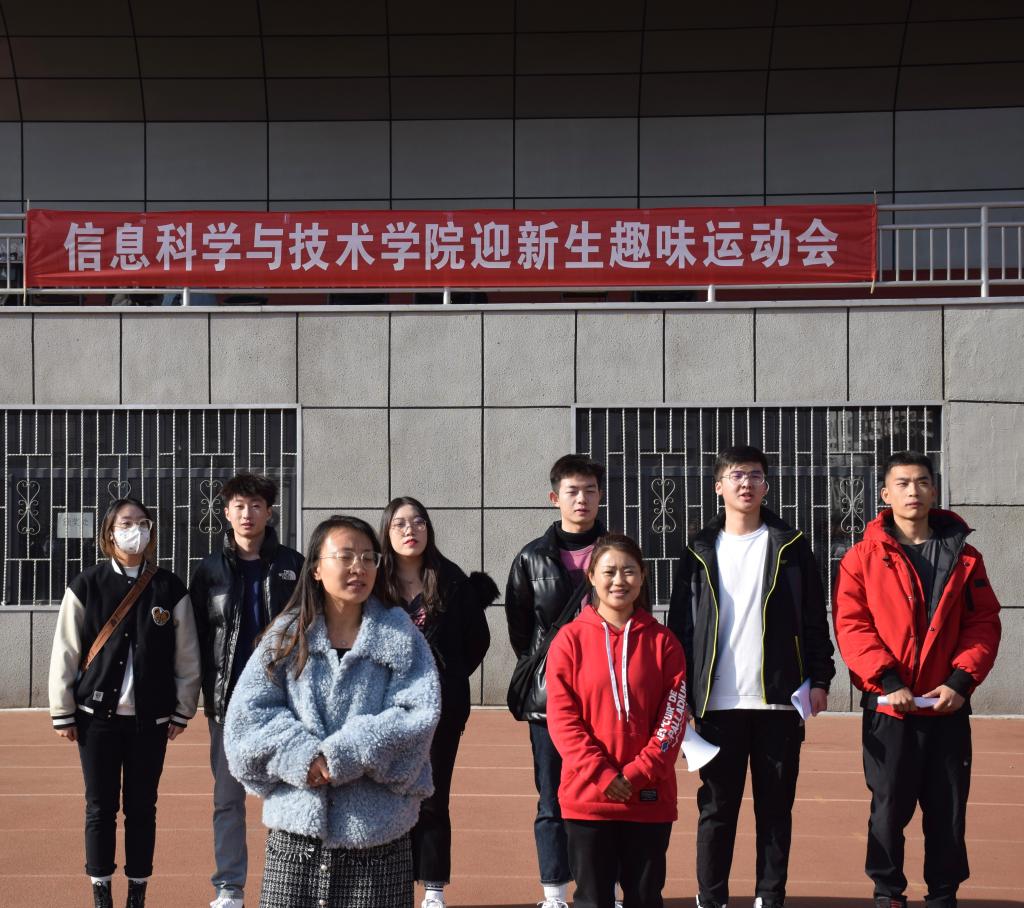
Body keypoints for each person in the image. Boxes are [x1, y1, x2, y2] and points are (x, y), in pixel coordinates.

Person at [223, 515, 441, 908]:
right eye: (345, 556)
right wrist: (302, 757)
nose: (359, 567)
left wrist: (344, 754)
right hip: (296, 839)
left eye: (369, 557)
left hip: (377, 839)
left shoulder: (400, 635)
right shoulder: (287, 635)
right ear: (316, 569)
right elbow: (248, 718)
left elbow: (417, 715)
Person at [667, 445, 835, 908]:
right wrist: (679, 692)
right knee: (716, 809)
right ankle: (711, 898)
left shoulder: (792, 546)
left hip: (779, 701)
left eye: (756, 475)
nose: (747, 483)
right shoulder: (698, 550)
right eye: (737, 475)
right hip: (716, 703)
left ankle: (769, 896)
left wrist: (821, 679)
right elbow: (680, 628)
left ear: (766, 485)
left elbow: (813, 619)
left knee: (775, 810)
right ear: (718, 486)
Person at [833, 451, 1001, 908]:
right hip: (890, 710)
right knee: (888, 810)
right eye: (903, 483)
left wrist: (960, 682)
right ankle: (888, 893)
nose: (913, 491)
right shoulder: (860, 558)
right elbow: (852, 626)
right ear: (885, 494)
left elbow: (983, 623)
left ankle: (943, 894)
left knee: (948, 810)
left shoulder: (966, 557)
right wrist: (889, 682)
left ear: (934, 490)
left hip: (947, 708)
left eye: (922, 482)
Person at [48, 497, 201, 908]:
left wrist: (183, 708)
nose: (136, 530)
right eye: (127, 523)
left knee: (142, 808)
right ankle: (101, 890)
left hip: (150, 721)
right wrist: (62, 711)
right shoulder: (87, 584)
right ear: (109, 534)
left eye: (143, 523)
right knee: (99, 807)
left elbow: (187, 655)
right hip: (95, 718)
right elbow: (65, 650)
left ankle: (138, 891)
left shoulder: (170, 587)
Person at [546, 534, 687, 908]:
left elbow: (673, 718)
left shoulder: (664, 643)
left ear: (642, 576)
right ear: (592, 576)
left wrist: (637, 774)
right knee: (592, 899)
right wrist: (604, 775)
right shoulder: (569, 640)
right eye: (609, 572)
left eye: (629, 571)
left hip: (649, 798)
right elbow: (563, 720)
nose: (619, 580)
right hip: (588, 797)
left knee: (645, 898)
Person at [190, 473, 304, 908]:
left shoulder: (293, 565)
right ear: (226, 512)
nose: (247, 514)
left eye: (256, 505)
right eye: (239, 505)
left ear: (269, 512)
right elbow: (197, 640)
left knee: (290, 793)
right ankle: (229, 887)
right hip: (228, 705)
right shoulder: (209, 571)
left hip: (284, 703)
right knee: (227, 800)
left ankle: (291, 884)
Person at [376, 497, 497, 908]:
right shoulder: (375, 583)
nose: (410, 530)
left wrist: (448, 675)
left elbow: (478, 640)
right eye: (400, 524)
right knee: (389, 793)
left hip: (440, 709)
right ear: (386, 532)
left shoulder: (452, 581)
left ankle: (432, 887)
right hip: (384, 707)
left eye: (418, 522)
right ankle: (391, 883)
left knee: (432, 794)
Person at [505, 453, 606, 908]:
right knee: (552, 796)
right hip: (550, 698)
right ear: (554, 498)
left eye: (589, 490)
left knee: (607, 792)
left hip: (608, 695)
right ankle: (554, 892)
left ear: (600, 496)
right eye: (572, 491)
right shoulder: (531, 558)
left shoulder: (616, 551)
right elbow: (522, 631)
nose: (581, 499)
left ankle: (604, 887)